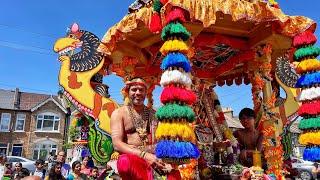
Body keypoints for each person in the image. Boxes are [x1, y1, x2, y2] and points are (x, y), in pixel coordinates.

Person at [110, 77, 178, 179]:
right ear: (127, 92)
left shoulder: (154, 114)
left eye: (141, 90)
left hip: (155, 158)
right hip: (133, 158)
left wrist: (166, 160)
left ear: (146, 93)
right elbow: (117, 144)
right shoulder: (119, 113)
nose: (138, 93)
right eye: (134, 89)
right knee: (125, 162)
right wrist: (144, 155)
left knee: (175, 173)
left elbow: (162, 142)